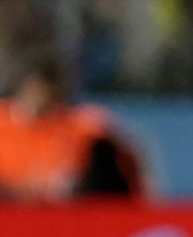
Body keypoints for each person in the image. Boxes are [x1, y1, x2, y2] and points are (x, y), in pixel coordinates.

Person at [0, 54, 146, 201]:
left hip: (66, 216)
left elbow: (127, 158)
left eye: (50, 88)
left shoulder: (81, 124)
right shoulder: (3, 123)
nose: (41, 95)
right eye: (36, 87)